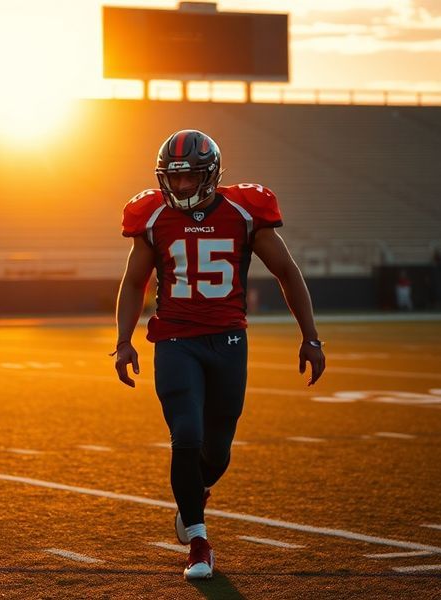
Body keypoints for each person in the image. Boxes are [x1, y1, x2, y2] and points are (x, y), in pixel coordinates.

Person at [113, 130, 325, 581]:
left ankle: (196, 492)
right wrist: (124, 340)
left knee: (217, 451)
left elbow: (287, 272)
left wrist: (311, 337)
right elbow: (134, 283)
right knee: (186, 435)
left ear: (210, 175)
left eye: (191, 177)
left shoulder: (245, 212)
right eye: (176, 177)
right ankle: (198, 542)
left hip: (228, 340)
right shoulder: (152, 216)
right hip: (175, 341)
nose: (183, 186)